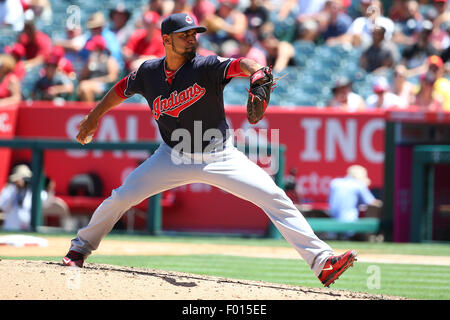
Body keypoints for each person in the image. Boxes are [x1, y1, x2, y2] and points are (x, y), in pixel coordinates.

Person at [62, 13, 357, 288]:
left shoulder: (205, 65)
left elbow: (242, 64)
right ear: (166, 40)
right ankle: (79, 249)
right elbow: (119, 90)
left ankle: (322, 262)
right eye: (184, 35)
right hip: (171, 155)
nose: (192, 39)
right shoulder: (148, 73)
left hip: (219, 155)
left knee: (275, 197)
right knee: (121, 197)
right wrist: (92, 118)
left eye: (194, 34)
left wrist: (256, 74)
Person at [328, 165, 382, 240]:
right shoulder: (359, 185)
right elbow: (372, 202)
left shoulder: (335, 183)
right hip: (350, 223)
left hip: (333, 222)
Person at [0, 164, 49, 231]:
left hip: (28, 231)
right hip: (11, 230)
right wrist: (15, 189)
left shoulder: (33, 191)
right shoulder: (9, 189)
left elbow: (46, 201)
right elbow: (3, 206)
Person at [77, 35, 119, 102]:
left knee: (85, 87)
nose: (92, 51)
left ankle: (92, 111)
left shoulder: (109, 60)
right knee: (83, 87)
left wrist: (94, 80)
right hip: (88, 83)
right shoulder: (90, 60)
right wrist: (88, 65)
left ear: (99, 49)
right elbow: (82, 77)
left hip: (104, 86)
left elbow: (112, 77)